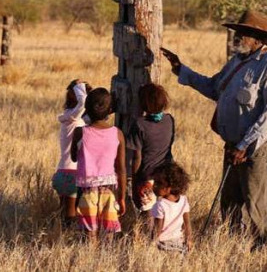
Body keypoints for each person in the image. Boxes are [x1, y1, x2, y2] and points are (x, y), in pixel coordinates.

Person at [160, 10, 267, 249]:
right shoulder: (236, 62)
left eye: (244, 33)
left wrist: (244, 145)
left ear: (258, 38)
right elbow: (213, 87)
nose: (238, 37)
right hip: (232, 145)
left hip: (254, 149)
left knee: (256, 204)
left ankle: (266, 251)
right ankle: (233, 247)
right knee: (230, 203)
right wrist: (180, 68)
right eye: (238, 32)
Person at [70, 88, 127, 241]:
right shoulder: (117, 133)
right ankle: (105, 262)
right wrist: (121, 197)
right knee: (108, 232)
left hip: (86, 190)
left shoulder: (80, 132)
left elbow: (73, 157)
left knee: (88, 233)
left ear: (87, 110)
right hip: (109, 190)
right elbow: (121, 169)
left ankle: (90, 260)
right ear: (110, 111)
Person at [127, 83, 176, 219]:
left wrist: (135, 180)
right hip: (166, 174)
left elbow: (137, 157)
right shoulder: (169, 120)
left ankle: (149, 240)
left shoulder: (139, 124)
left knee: (148, 214)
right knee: (164, 211)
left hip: (147, 176)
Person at [51, 79, 91, 227]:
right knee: (70, 216)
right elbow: (82, 104)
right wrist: (80, 87)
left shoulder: (73, 119)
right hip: (72, 174)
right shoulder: (72, 118)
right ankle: (63, 240)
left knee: (63, 212)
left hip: (62, 173)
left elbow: (90, 117)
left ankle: (57, 236)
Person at [150, 163, 192, 253]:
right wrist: (188, 239)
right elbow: (187, 223)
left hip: (163, 245)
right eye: (154, 182)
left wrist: (151, 245)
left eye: (159, 183)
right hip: (179, 243)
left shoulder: (160, 205)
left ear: (170, 187)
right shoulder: (184, 200)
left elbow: (157, 229)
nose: (154, 186)